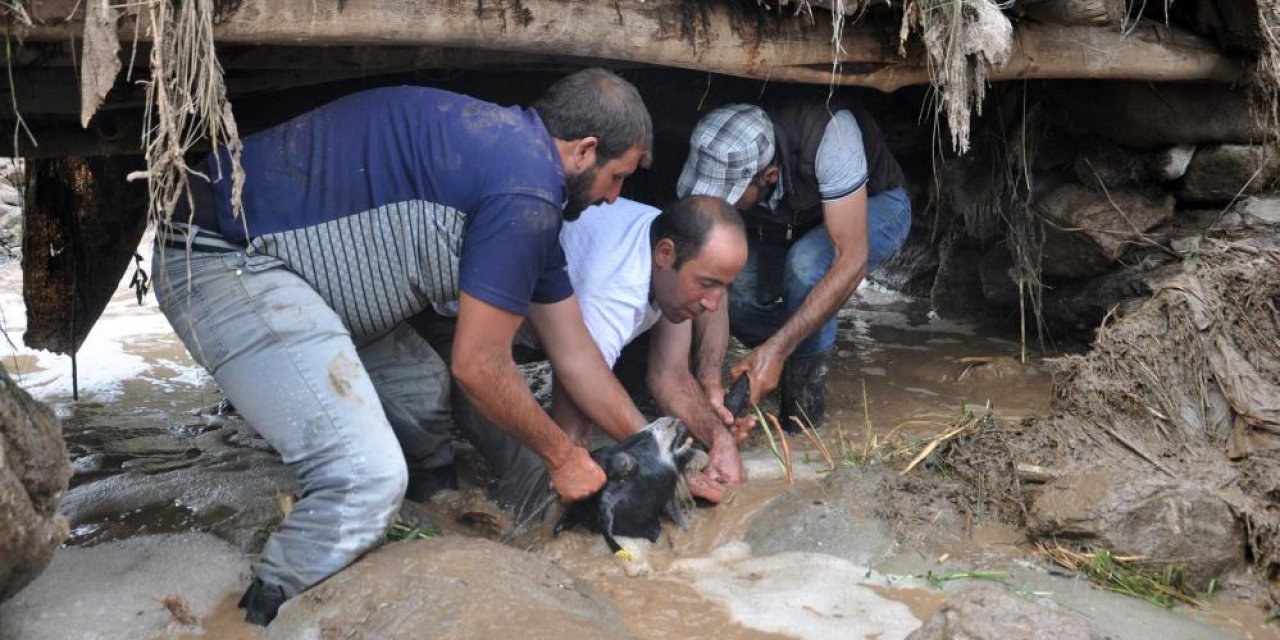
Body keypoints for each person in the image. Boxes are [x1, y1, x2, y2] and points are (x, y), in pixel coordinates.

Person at [152, 68, 655, 626]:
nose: (616, 198)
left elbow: (575, 352)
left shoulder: (519, 166)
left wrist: (652, 450)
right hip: (220, 256)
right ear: (585, 151)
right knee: (365, 476)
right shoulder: (527, 190)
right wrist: (563, 456)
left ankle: (433, 518)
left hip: (297, 269)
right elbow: (479, 366)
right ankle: (257, 614)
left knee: (420, 391)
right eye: (618, 177)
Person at [414, 194, 753, 519]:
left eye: (724, 287)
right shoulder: (614, 287)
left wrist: (718, 439)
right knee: (545, 486)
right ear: (665, 254)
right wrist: (668, 467)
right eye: (707, 283)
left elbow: (672, 376)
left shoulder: (669, 253)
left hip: (548, 325)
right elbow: (572, 424)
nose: (713, 303)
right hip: (459, 323)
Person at [677, 98, 912, 429]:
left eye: (727, 196)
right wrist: (710, 378)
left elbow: (851, 261)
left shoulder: (832, 136)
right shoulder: (726, 146)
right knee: (738, 293)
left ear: (769, 175)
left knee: (807, 268)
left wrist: (777, 349)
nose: (717, 207)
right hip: (791, 221)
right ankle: (789, 357)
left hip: (876, 205)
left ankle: (802, 419)